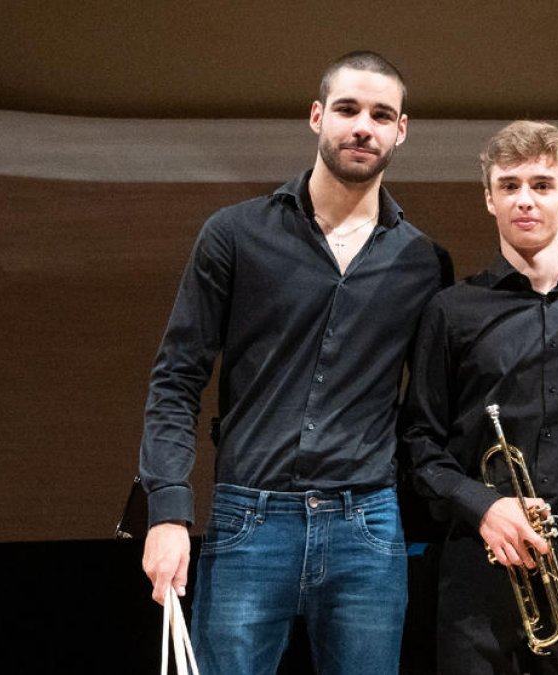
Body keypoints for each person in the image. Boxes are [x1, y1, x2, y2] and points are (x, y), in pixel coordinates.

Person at [137, 50, 452, 675]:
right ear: (317, 116)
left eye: (381, 114)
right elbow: (176, 379)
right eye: (347, 109)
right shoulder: (235, 234)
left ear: (400, 130)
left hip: (367, 526)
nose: (363, 125)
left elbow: (429, 412)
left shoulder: (425, 263)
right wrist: (168, 510)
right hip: (249, 520)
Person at [401, 121, 558, 674]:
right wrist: (485, 505)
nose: (525, 200)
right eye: (509, 185)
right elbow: (418, 443)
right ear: (489, 198)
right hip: (480, 557)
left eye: (542, 185)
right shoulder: (452, 311)